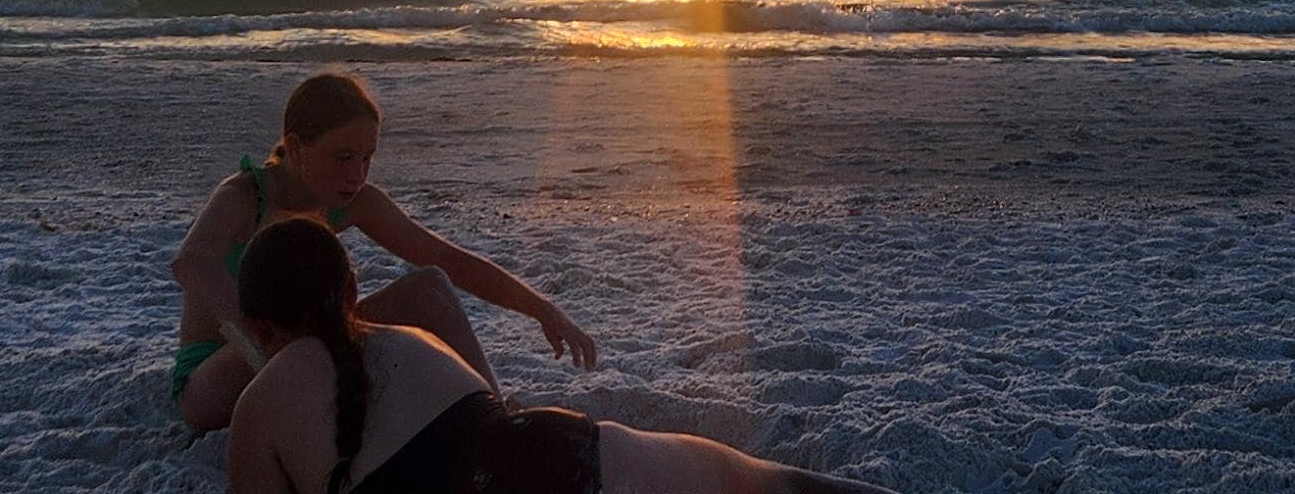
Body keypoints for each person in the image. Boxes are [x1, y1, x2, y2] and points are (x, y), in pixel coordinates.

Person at [228, 220, 895, 494]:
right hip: (547, 450)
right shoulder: (411, 341)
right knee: (743, 479)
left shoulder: (259, 406)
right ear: (352, 291)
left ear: (257, 328)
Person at [173, 70, 599, 433]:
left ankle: (496, 422)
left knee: (429, 288)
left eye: (367, 157)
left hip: (304, 354)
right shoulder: (245, 196)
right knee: (309, 332)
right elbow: (190, 261)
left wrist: (542, 309)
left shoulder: (353, 202)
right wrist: (262, 341)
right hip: (217, 379)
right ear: (297, 147)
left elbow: (448, 259)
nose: (357, 174)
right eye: (343, 157)